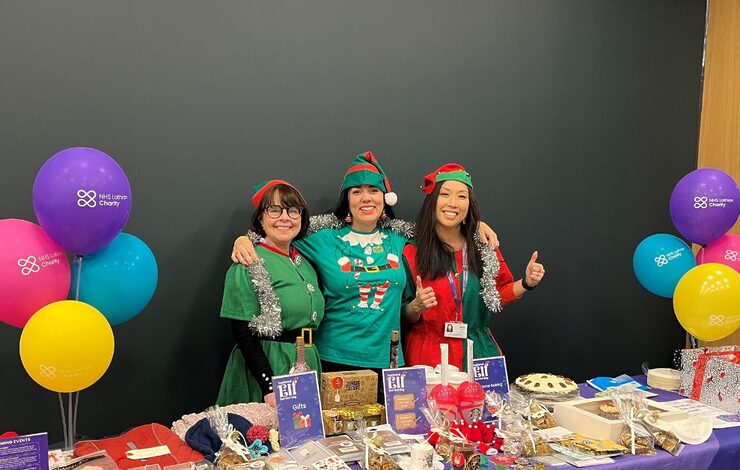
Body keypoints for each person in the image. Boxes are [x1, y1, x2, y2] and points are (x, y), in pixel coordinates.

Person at [231, 153, 499, 386]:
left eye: (373, 190)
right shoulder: (322, 240)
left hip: (388, 360)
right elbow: (282, 230)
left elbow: (444, 227)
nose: (366, 198)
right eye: (356, 191)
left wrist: (476, 227)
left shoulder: (400, 238)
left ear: (385, 198)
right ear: (347, 200)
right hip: (333, 359)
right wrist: (248, 238)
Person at [402, 163, 545, 370]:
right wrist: (416, 305)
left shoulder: (483, 246)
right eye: (445, 194)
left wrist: (526, 283)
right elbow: (403, 313)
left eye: (462, 196)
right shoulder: (412, 251)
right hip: (429, 356)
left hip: (477, 352)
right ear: (432, 201)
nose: (453, 203)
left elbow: (497, 294)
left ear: (469, 204)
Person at [217, 180, 325, 407]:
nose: (285, 217)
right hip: (268, 368)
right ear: (260, 218)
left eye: (292, 210)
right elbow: (243, 334)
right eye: (274, 210)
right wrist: (268, 385)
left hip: (305, 361)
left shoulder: (304, 262)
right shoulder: (248, 262)